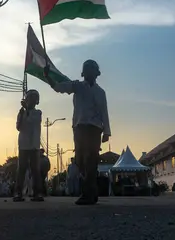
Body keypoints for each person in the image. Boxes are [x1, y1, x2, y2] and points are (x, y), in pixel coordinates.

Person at [44, 60, 111, 206]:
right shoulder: (77, 86)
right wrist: (48, 77)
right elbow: (58, 87)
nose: (90, 72)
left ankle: (88, 193)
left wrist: (107, 131)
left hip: (94, 128)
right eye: (87, 69)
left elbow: (104, 112)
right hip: (79, 127)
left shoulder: (101, 92)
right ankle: (91, 191)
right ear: (83, 72)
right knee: (80, 160)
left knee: (91, 159)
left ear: (97, 73)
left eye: (92, 69)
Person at [13, 89, 43, 202]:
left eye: (34, 98)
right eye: (29, 98)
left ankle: (37, 193)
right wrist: (22, 113)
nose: (31, 100)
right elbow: (18, 127)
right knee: (21, 170)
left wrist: (26, 111)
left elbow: (32, 122)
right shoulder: (21, 112)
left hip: (34, 145)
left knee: (35, 170)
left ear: (37, 101)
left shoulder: (38, 113)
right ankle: (18, 193)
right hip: (24, 145)